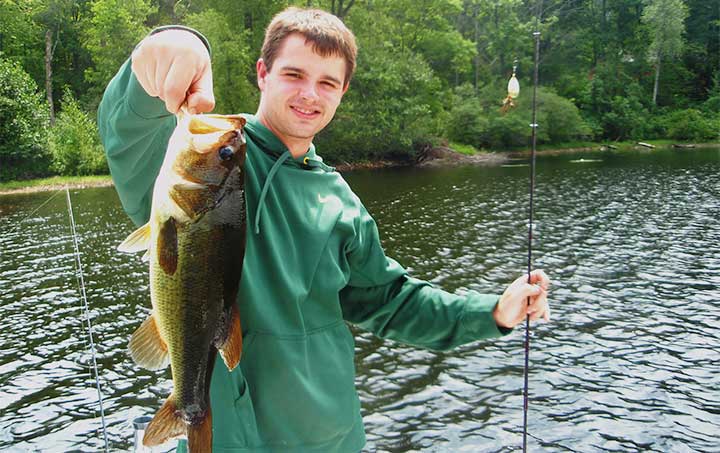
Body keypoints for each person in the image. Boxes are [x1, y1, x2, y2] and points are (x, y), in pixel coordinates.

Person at [98, 7, 550, 452]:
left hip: (334, 437)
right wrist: (169, 47)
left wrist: (492, 313)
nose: (309, 94)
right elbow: (129, 134)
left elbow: (391, 301)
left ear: (342, 91)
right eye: (294, 75)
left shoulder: (342, 203)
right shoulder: (216, 155)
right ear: (263, 73)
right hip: (230, 438)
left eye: (327, 82)